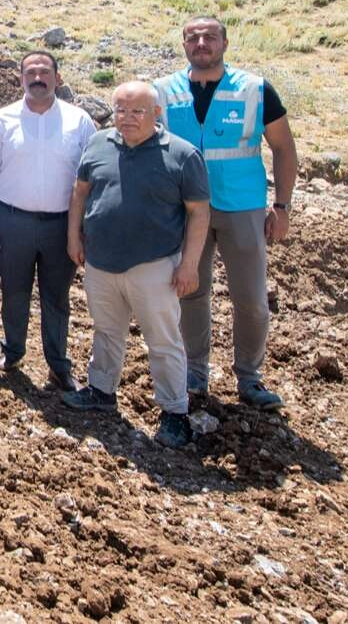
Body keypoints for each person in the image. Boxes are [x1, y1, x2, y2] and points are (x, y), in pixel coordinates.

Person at [156, 16, 299, 411]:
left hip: (241, 206)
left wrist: (282, 206)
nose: (202, 43)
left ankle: (249, 378)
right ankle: (194, 372)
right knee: (190, 291)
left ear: (225, 42)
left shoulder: (255, 89)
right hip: (185, 209)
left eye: (210, 37)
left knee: (250, 297)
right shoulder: (163, 91)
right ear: (184, 44)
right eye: (193, 37)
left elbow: (284, 147)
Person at [64, 81, 210, 449]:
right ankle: (101, 389)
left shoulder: (182, 155)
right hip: (101, 261)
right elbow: (80, 193)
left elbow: (198, 213)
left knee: (162, 340)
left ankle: (174, 411)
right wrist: (73, 236)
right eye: (120, 110)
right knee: (106, 330)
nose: (127, 118)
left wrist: (189, 264)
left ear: (157, 113)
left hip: (154, 266)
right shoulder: (99, 144)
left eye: (137, 111)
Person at [0, 51, 98, 389]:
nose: (38, 78)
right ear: (21, 79)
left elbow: (92, 176)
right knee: (14, 293)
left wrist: (83, 228)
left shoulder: (79, 121)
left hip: (62, 226)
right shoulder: (2, 120)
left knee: (56, 298)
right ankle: (13, 352)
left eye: (45, 72)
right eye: (30, 72)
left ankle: (58, 365)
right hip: (13, 222)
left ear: (58, 78)